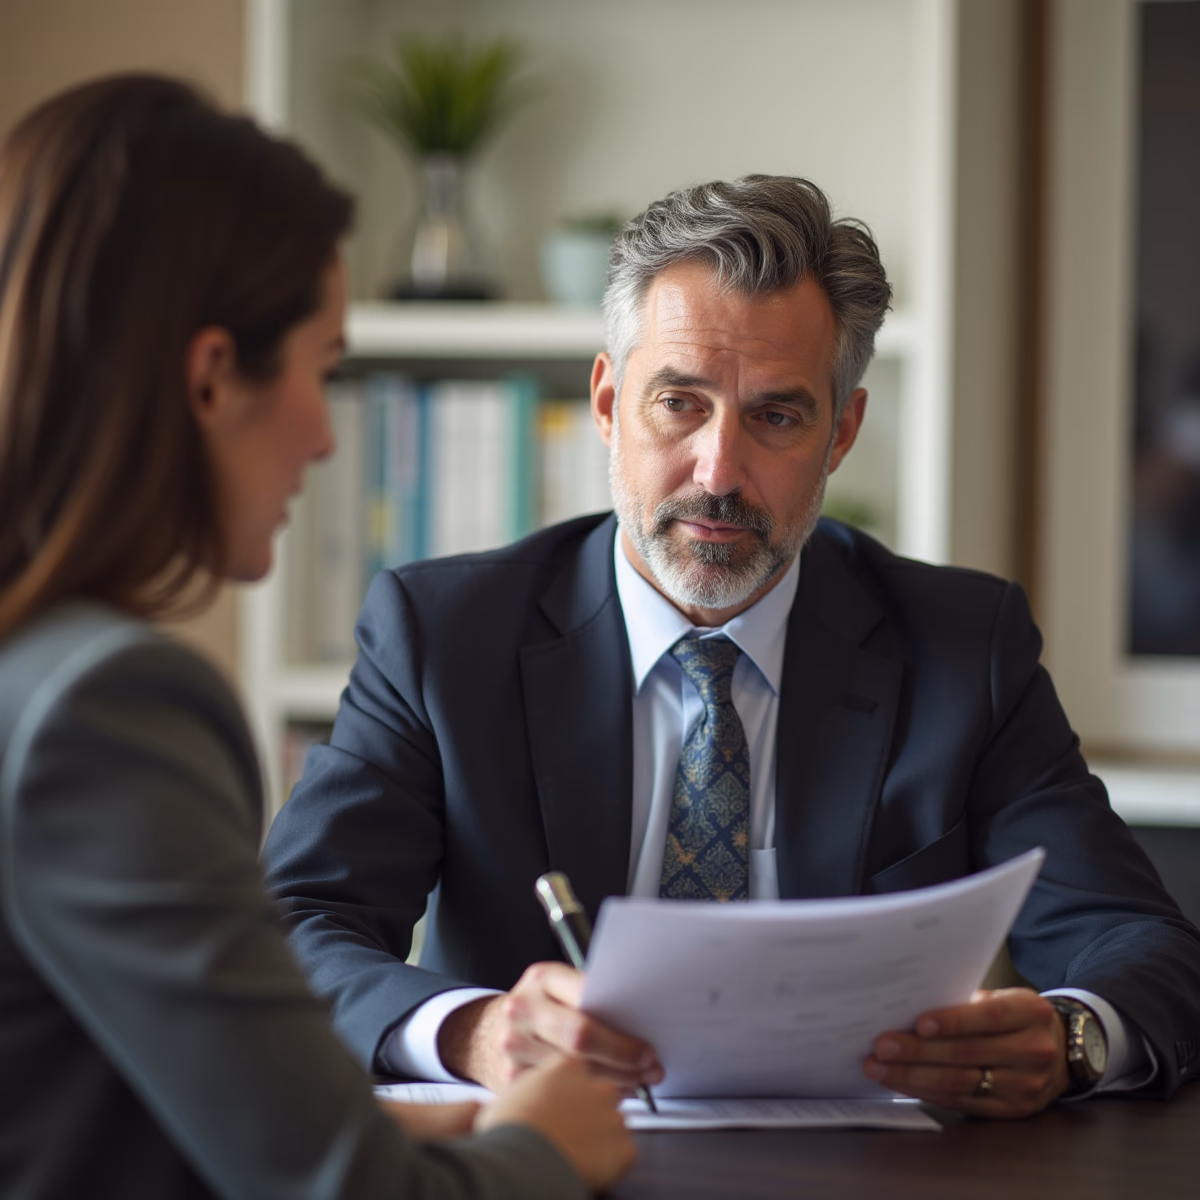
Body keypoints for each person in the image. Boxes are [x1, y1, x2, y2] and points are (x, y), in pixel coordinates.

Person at [262, 175, 1200, 1120]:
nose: (718, 474)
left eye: (777, 417)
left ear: (842, 434)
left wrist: (1074, 1038)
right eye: (679, 403)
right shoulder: (444, 636)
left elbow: (1139, 945)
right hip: (539, 1159)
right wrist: (472, 1031)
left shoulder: (964, 648)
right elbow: (293, 927)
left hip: (860, 1178)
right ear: (605, 402)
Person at [0, 74, 635, 1199]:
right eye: (324, 372)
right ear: (210, 380)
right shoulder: (104, 711)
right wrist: (543, 1148)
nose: (328, 443)